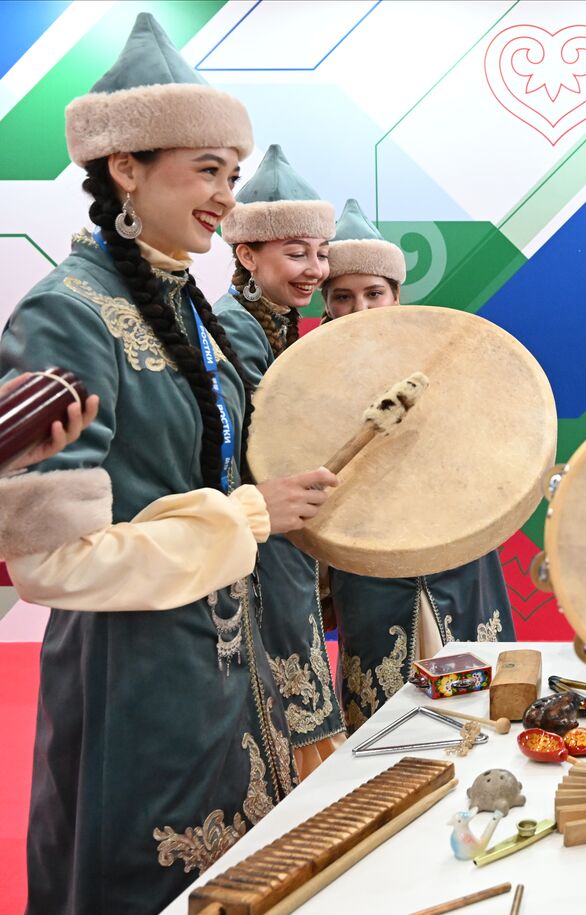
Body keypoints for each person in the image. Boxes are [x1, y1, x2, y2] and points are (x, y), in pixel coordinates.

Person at [0, 14, 334, 912]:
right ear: (125, 168)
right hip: (133, 677)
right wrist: (250, 517)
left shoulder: (182, 307)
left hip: (225, 668)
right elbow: (51, 564)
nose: (226, 196)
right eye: (207, 171)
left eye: (232, 173)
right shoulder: (67, 314)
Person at [316, 197, 517, 732]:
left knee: (476, 702)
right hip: (370, 554)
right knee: (385, 711)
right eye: (343, 296)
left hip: (454, 543)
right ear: (326, 305)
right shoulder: (311, 378)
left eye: (373, 294)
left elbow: (486, 449)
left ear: (397, 295)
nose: (360, 309)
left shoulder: (441, 358)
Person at [213, 144, 346, 776]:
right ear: (246, 254)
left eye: (321, 253)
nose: (315, 270)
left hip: (276, 538)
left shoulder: (272, 322)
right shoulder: (232, 328)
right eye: (297, 254)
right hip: (253, 538)